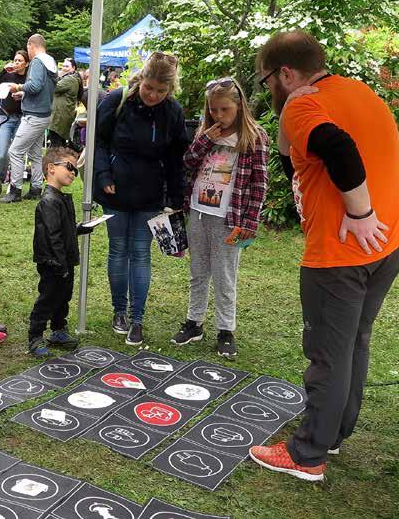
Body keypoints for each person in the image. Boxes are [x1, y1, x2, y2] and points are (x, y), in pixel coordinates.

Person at [247, 31, 399, 482]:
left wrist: (360, 212)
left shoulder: (305, 106)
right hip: (392, 240)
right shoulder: (360, 93)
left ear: (285, 73)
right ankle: (334, 432)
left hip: (344, 250)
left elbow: (338, 148)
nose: (268, 90)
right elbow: (295, 163)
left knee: (328, 353)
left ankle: (307, 455)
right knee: (354, 342)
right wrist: (289, 113)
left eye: (268, 81)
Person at [93, 52, 190, 346]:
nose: (153, 95)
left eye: (161, 91)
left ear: (170, 90)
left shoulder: (172, 111)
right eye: (150, 88)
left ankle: (138, 317)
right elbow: (96, 139)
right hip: (116, 190)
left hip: (150, 194)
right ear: (141, 79)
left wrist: (176, 198)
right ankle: (119, 311)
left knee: (141, 252)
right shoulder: (116, 100)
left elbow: (176, 158)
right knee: (117, 250)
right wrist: (103, 174)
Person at [169, 77, 268, 359]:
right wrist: (205, 140)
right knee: (198, 271)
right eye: (214, 109)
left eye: (225, 109)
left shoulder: (254, 137)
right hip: (199, 212)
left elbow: (259, 184)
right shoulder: (207, 134)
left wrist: (249, 221)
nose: (219, 115)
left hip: (229, 216)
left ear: (239, 106)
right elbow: (187, 163)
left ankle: (226, 329)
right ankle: (194, 322)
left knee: (225, 275)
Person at [28, 147, 95, 357]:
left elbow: (63, 229)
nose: (73, 172)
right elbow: (51, 235)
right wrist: (59, 264)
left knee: (63, 297)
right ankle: (35, 335)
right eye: (69, 167)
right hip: (53, 262)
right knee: (48, 297)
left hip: (64, 260)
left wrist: (78, 229)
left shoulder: (60, 198)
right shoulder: (49, 200)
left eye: (75, 169)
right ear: (51, 169)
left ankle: (58, 329)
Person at [0, 34, 57, 203]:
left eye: (28, 49)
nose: (28, 53)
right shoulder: (51, 61)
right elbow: (43, 88)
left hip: (34, 116)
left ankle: (15, 190)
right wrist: (24, 94)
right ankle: (36, 188)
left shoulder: (38, 61)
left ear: (31, 46)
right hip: (44, 113)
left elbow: (35, 85)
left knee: (15, 151)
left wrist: (18, 86)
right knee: (35, 154)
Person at [0, 50, 29, 185]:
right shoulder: (8, 75)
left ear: (26, 63)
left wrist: (22, 94)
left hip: (22, 118)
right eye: (15, 60)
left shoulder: (29, 78)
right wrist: (3, 71)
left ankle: (11, 181)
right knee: (2, 153)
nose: (16, 63)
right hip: (6, 117)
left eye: (20, 61)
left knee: (15, 153)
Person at [48, 58, 82, 149]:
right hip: (62, 115)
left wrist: (55, 76)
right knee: (59, 145)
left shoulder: (70, 79)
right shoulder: (71, 78)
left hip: (60, 116)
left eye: (67, 66)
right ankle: (61, 161)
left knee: (56, 146)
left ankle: (56, 162)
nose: (64, 68)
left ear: (73, 68)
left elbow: (53, 88)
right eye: (63, 66)